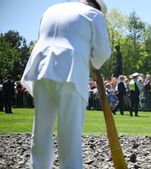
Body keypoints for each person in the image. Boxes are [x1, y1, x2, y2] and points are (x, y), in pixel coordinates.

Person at [21, 0, 111, 168]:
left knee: (40, 132)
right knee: (70, 136)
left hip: (41, 69)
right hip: (70, 72)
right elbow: (102, 54)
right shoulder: (94, 15)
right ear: (97, 6)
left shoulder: (51, 9)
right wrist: (92, 61)